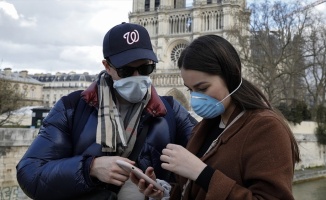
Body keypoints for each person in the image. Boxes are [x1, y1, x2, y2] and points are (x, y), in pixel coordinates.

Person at [16, 22, 197, 200]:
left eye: (145, 68)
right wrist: (90, 168)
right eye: (126, 70)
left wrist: (168, 191)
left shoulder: (171, 111)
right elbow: (30, 173)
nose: (137, 77)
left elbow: (208, 164)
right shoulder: (71, 108)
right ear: (107, 66)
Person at [131, 35, 300, 200]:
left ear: (230, 76)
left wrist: (201, 172)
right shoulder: (205, 127)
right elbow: (193, 189)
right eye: (190, 90)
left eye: (203, 88)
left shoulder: (266, 127)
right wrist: (164, 192)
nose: (195, 98)